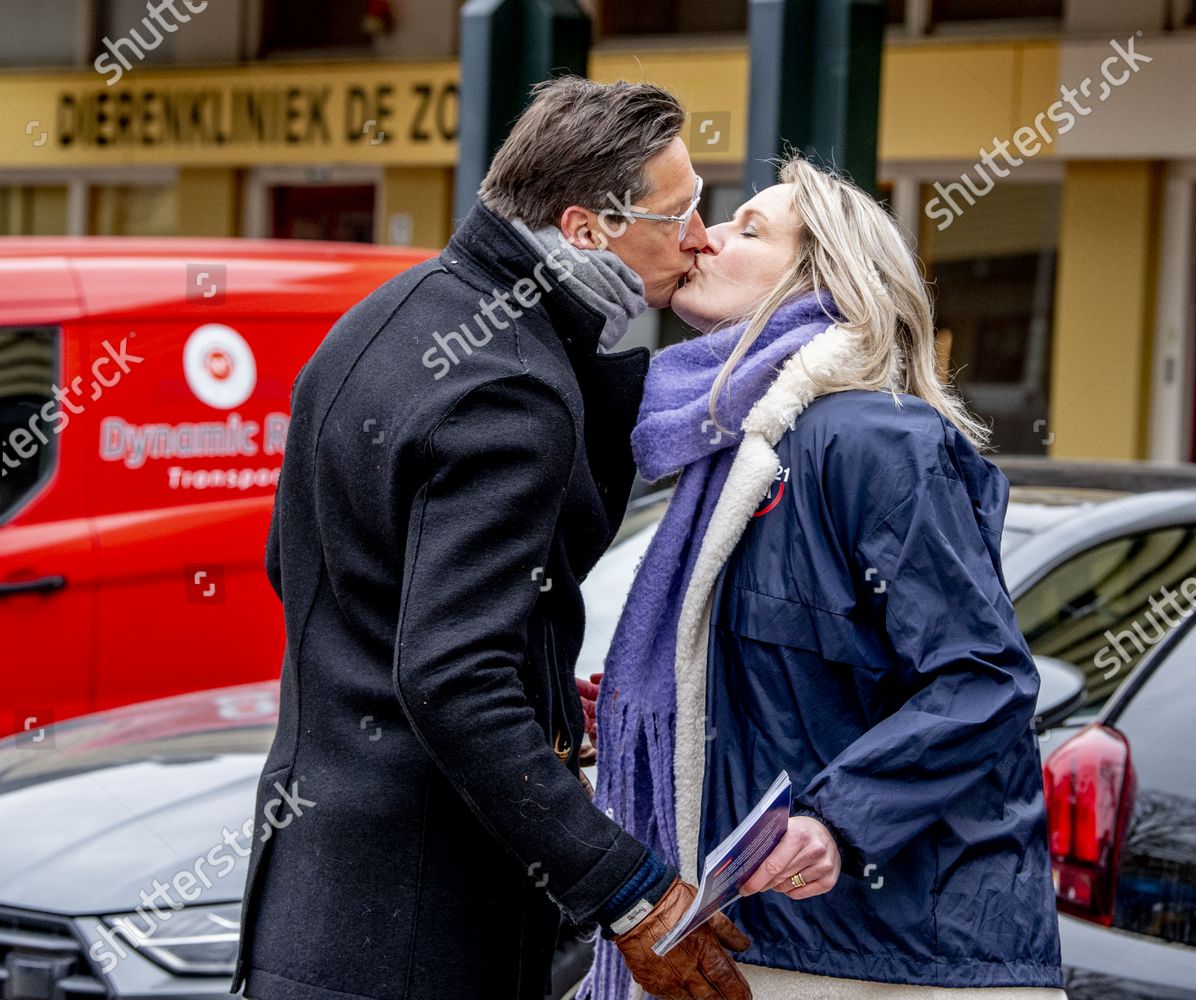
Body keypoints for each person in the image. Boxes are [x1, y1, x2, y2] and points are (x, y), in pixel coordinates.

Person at [232, 77, 753, 1000]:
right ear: (586, 229)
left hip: (314, 908)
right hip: (423, 931)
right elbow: (451, 677)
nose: (702, 240)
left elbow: (310, 575)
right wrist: (630, 893)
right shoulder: (512, 388)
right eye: (680, 217)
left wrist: (546, 697)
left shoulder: (384, 319)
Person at [585, 158, 1066, 999]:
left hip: (884, 960)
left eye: (750, 229)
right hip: (764, 942)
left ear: (824, 279)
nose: (707, 236)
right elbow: (806, 685)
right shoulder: (742, 449)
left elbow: (983, 678)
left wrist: (837, 818)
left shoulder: (872, 440)